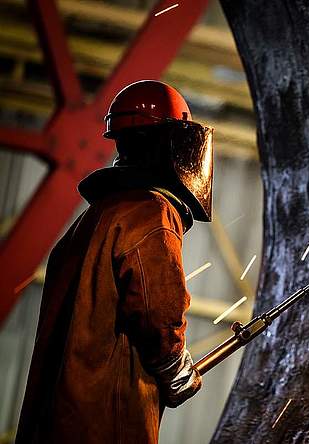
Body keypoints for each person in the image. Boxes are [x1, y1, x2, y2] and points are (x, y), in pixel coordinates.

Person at [16, 80, 214, 443]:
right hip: (104, 425)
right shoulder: (152, 212)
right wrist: (174, 366)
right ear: (173, 140)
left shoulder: (94, 219)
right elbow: (158, 306)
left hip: (55, 423)